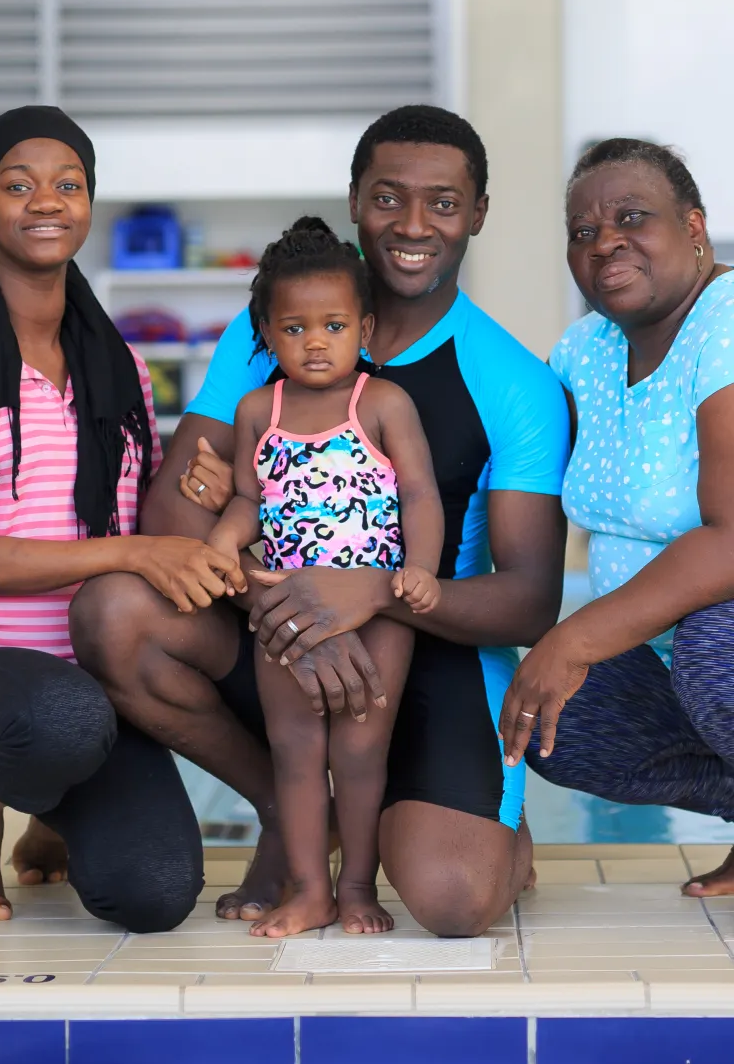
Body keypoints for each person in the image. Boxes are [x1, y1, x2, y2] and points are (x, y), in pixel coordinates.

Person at [72, 105, 570, 937]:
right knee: (113, 609)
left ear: (478, 213)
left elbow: (528, 600)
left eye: (444, 203)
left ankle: (498, 836)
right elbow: (173, 512)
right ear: (352, 200)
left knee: (453, 901)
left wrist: (371, 593)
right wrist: (298, 611)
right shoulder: (268, 335)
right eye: (388, 197)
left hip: (427, 647)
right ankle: (289, 811)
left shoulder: (515, 384)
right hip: (272, 628)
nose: (413, 225)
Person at [0, 105, 242, 929]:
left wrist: (202, 491)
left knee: (153, 892)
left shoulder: (121, 372)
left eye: (68, 185)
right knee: (59, 713)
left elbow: (146, 517)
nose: (47, 201)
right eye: (19, 185)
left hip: (88, 684)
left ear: (88, 205)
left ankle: (48, 813)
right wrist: (138, 551)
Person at [498, 139, 734, 896]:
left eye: (632, 217)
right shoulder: (587, 349)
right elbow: (498, 458)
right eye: (583, 231)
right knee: (557, 723)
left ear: (694, 227)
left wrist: (576, 635)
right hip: (668, 652)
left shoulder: (728, 324)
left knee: (712, 646)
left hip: (712, 639)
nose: (605, 243)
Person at [207, 217, 443, 937]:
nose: (315, 341)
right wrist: (221, 542)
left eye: (334, 324)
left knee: (362, 750)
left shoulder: (382, 403)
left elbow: (419, 494)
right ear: (267, 335)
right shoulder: (258, 412)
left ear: (363, 329)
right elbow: (249, 500)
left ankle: (360, 890)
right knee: (297, 752)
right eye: (295, 327)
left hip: (378, 613)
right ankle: (309, 889)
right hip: (285, 613)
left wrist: (421, 572)